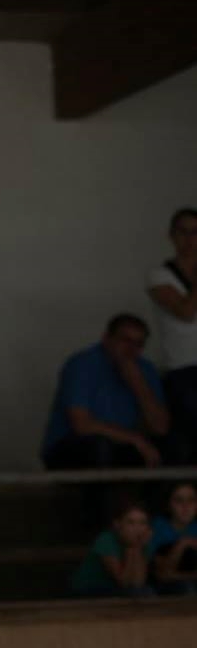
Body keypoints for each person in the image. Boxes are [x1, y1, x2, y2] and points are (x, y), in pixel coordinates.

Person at [42, 315, 170, 470]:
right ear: (106, 339)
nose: (131, 349)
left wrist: (138, 384)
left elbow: (160, 427)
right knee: (100, 446)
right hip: (72, 446)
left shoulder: (145, 369)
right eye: (125, 340)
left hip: (123, 445)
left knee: (172, 446)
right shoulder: (83, 364)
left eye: (138, 344)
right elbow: (82, 425)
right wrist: (134, 439)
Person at [146, 207, 197, 463]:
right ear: (172, 236)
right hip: (183, 369)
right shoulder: (159, 276)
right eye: (183, 232)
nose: (190, 239)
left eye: (195, 233)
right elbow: (185, 312)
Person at [69, 493, 161, 597]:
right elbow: (123, 582)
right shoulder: (106, 539)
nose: (137, 529)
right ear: (117, 524)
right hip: (88, 589)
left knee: (145, 592)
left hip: (117, 590)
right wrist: (131, 548)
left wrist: (137, 548)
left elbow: (138, 582)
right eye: (131, 522)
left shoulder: (144, 542)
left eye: (142, 523)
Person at [151, 477, 197, 593]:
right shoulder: (157, 527)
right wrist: (182, 544)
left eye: (191, 500)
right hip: (166, 588)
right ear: (168, 504)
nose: (185, 506)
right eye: (179, 500)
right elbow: (162, 575)